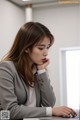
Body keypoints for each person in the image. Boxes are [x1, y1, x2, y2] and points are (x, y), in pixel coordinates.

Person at [0, 22, 77, 119]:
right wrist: (51, 111)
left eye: (47, 47)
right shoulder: (6, 68)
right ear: (26, 48)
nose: (46, 53)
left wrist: (41, 71)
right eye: (41, 48)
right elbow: (10, 111)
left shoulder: (38, 69)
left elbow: (49, 103)